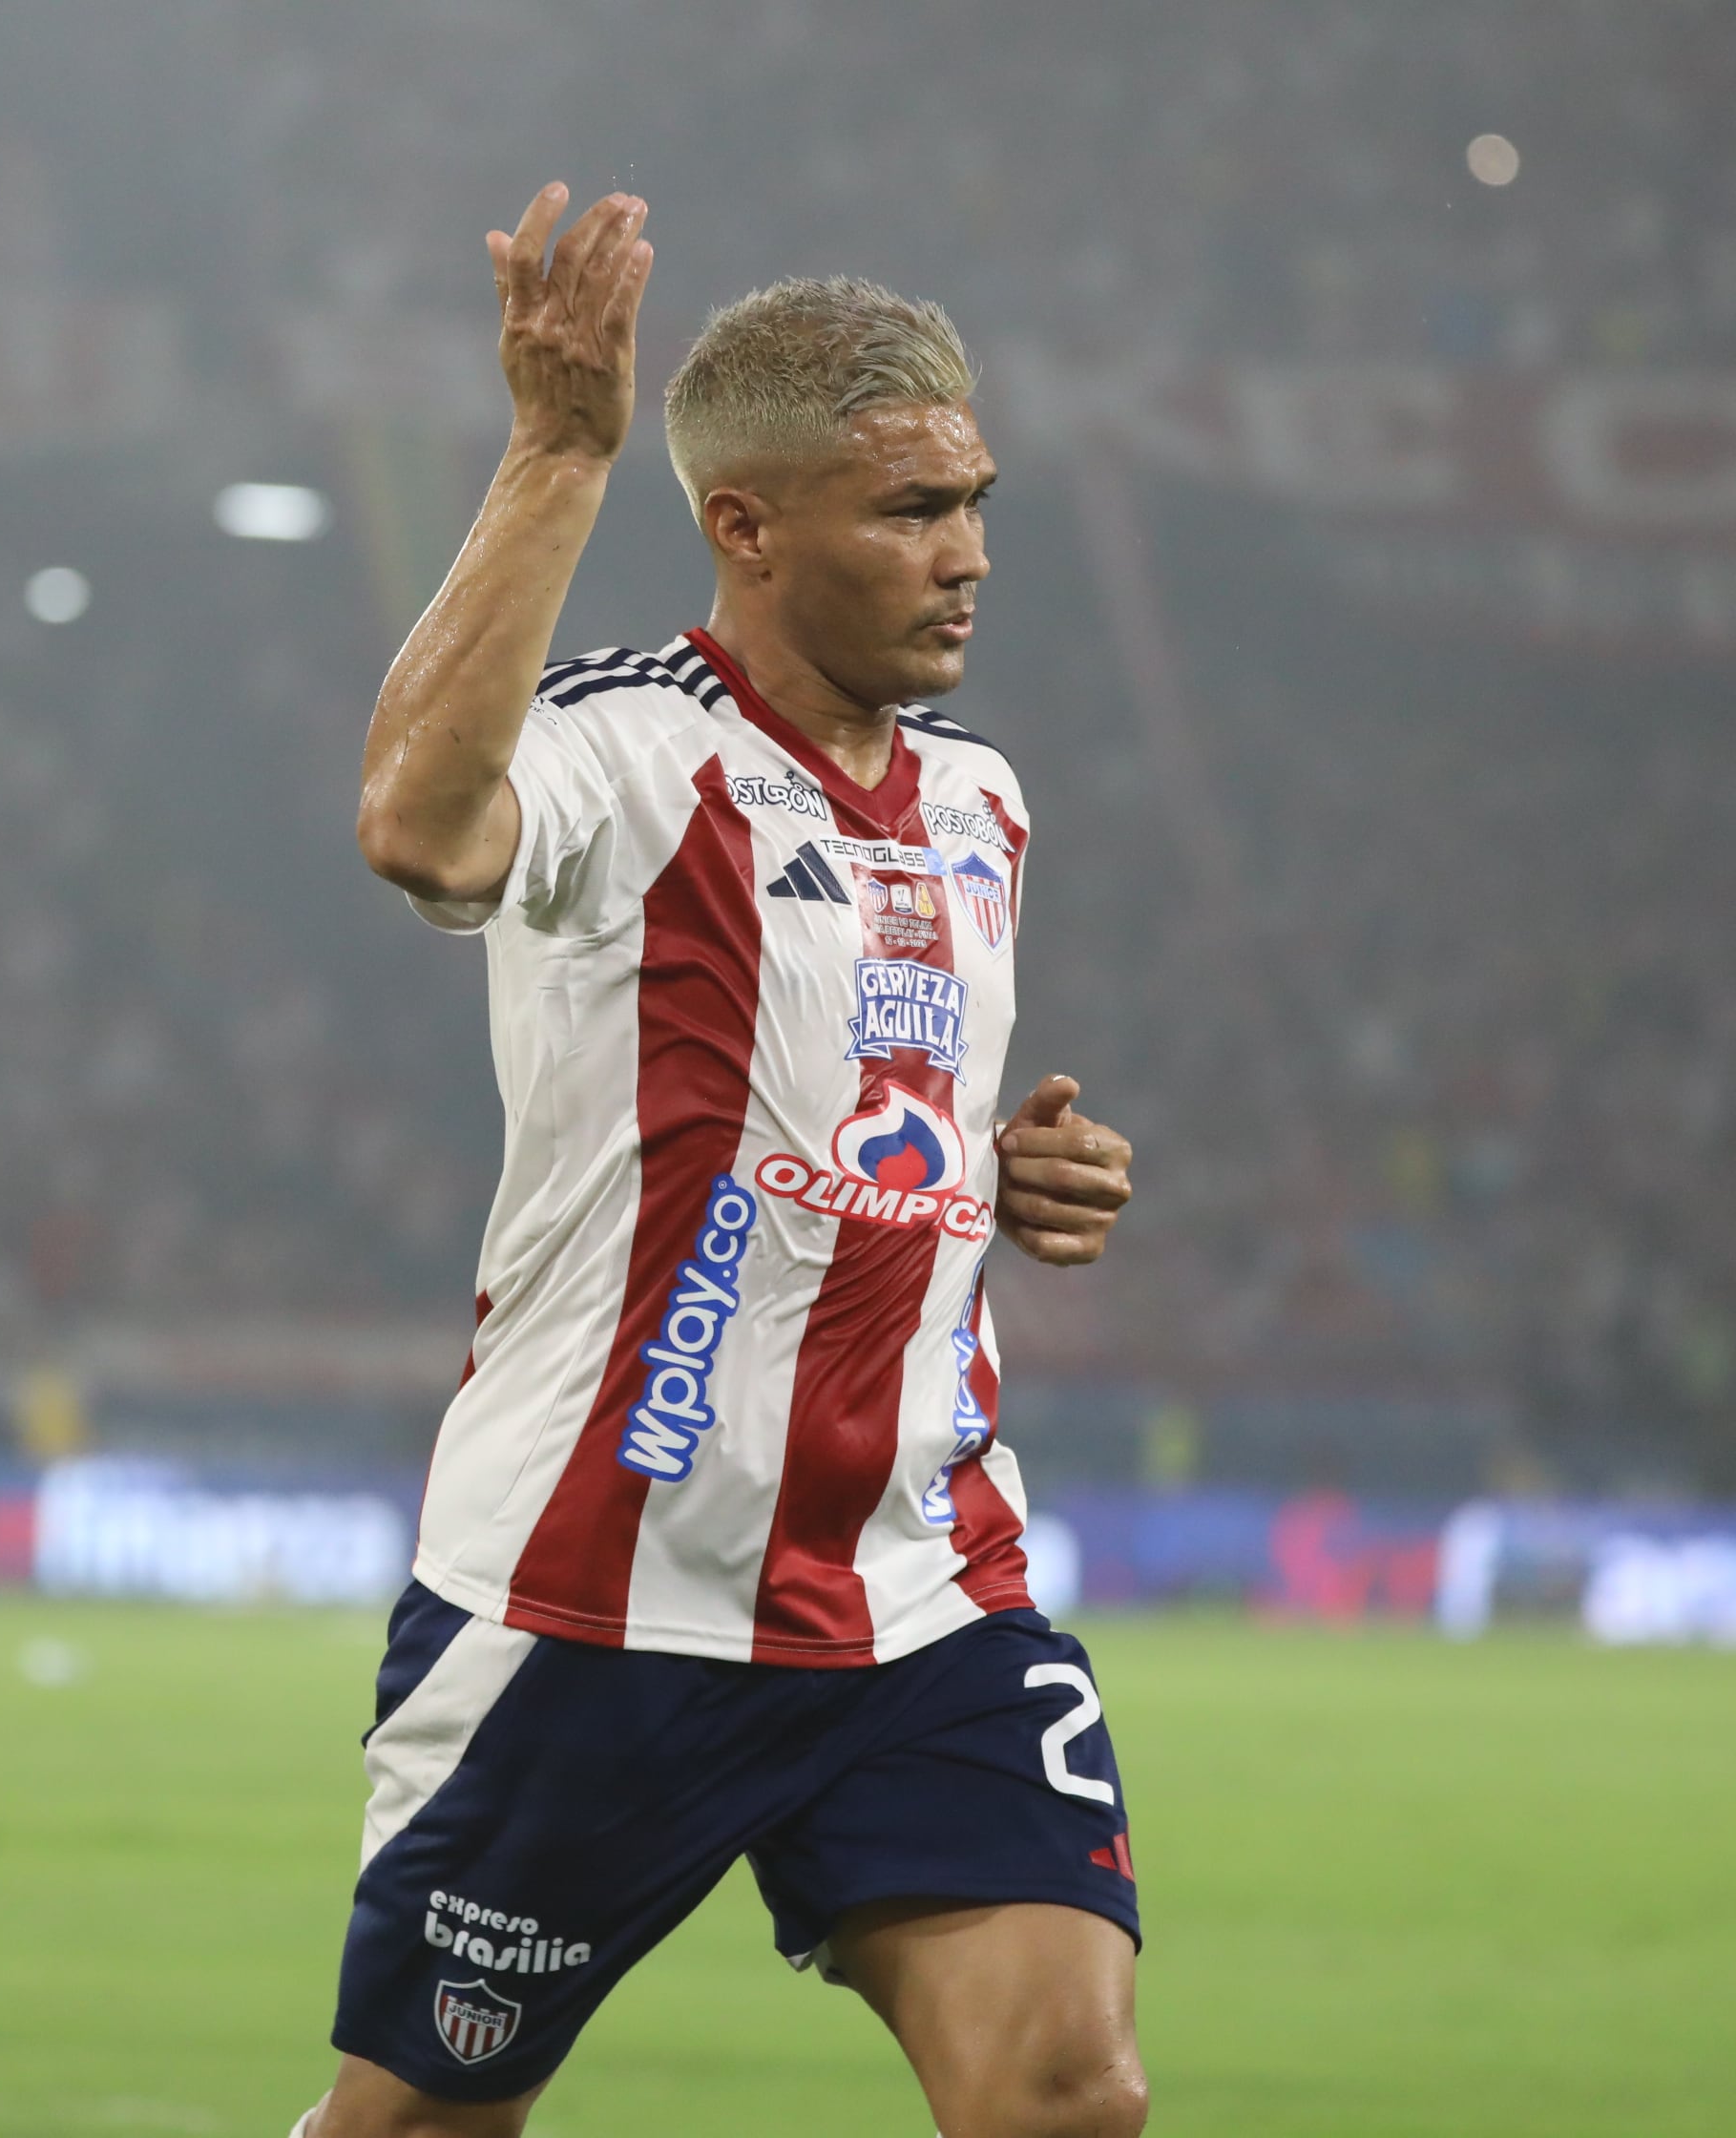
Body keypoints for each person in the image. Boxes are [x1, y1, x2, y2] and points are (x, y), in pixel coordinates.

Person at [304, 186, 1144, 2137]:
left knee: (1068, 2094)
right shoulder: (628, 750)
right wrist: (554, 450)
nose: (971, 559)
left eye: (974, 503)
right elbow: (423, 831)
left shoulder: (981, 804)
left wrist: (1010, 1177)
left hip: (918, 1587)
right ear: (749, 527)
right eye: (912, 514)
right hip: (597, 1606)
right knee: (420, 2123)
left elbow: (854, 1104)